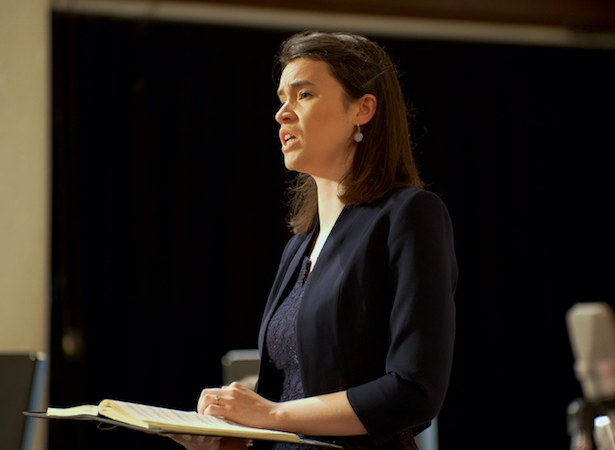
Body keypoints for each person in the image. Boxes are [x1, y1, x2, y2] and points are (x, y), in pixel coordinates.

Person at [169, 30, 457, 450]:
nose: (282, 113)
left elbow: (414, 391)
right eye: (282, 98)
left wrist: (269, 415)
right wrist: (230, 436)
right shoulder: (299, 246)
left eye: (304, 95)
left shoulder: (409, 215)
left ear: (363, 109)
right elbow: (287, 401)